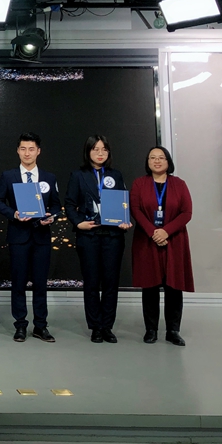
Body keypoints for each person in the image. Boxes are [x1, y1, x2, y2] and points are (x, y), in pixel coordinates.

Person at [0, 132, 61, 343]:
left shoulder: (49, 178)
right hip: (18, 236)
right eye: (23, 149)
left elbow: (56, 205)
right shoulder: (8, 176)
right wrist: (13, 214)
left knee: (40, 283)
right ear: (17, 151)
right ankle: (20, 325)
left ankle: (41, 326)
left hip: (41, 236)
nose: (27, 153)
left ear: (38, 151)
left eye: (31, 149)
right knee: (19, 283)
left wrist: (52, 217)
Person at [64, 135, 132, 344]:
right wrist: (78, 223)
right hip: (89, 235)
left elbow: (123, 202)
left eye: (104, 149)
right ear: (88, 152)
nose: (100, 153)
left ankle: (107, 326)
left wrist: (125, 220)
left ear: (108, 152)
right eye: (95, 149)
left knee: (111, 282)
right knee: (91, 282)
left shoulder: (115, 175)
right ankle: (95, 326)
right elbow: (69, 203)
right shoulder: (78, 175)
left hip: (113, 235)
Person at [129, 146, 193, 347]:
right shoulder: (139, 184)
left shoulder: (179, 184)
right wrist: (153, 232)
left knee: (174, 286)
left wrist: (166, 231)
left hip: (174, 240)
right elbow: (135, 210)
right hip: (146, 240)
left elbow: (186, 212)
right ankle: (151, 330)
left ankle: (173, 331)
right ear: (147, 162)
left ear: (168, 161)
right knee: (149, 286)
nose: (157, 161)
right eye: (152, 158)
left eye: (161, 158)